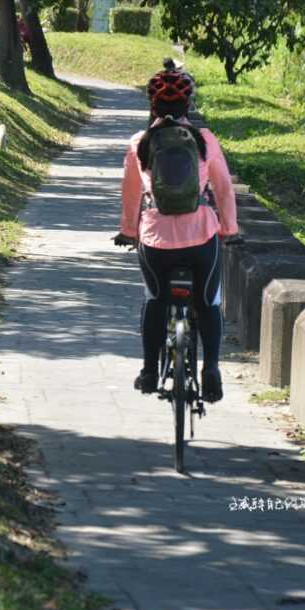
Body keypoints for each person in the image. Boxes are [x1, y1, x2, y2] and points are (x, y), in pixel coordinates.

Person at [114, 68, 238, 402]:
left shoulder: (140, 144)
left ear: (152, 105)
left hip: (155, 241)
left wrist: (128, 231)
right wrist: (229, 229)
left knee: (155, 300)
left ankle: (150, 371)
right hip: (201, 236)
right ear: (188, 105)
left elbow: (131, 195)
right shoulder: (206, 140)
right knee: (209, 303)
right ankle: (211, 369)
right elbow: (224, 189)